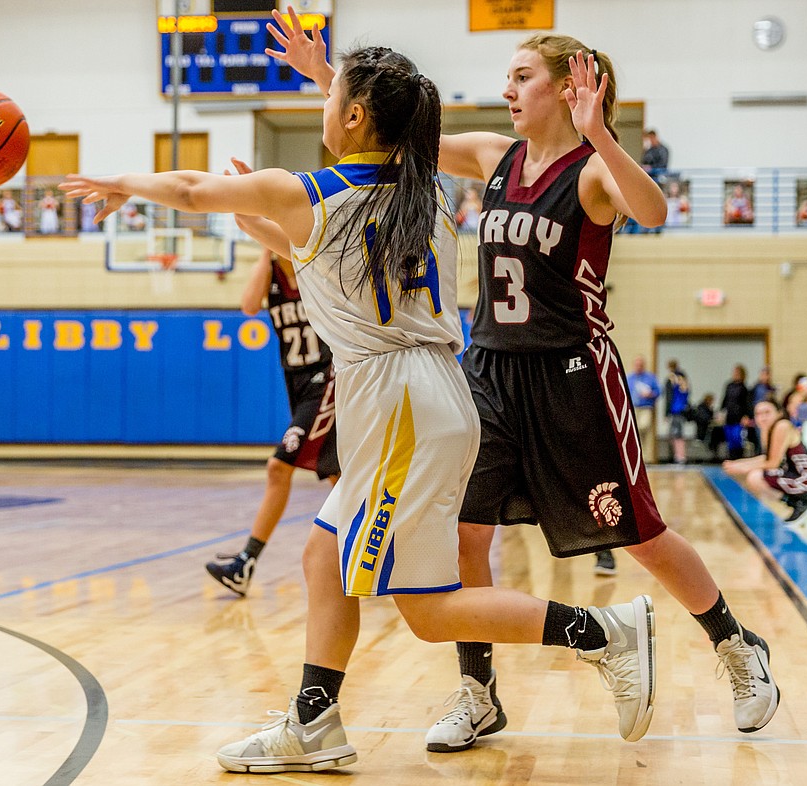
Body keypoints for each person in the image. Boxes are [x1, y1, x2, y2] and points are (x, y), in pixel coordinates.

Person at [63, 37, 657, 772]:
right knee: (322, 555)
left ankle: (603, 632)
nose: (320, 106)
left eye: (328, 96)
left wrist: (123, 181)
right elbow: (316, 248)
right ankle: (314, 720)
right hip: (425, 395)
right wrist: (314, 113)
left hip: (399, 403)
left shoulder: (311, 193)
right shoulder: (421, 190)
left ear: (350, 115)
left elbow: (189, 191)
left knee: (428, 609)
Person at [280, 23, 778, 752]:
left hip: (573, 373)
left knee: (636, 532)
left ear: (567, 89)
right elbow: (397, 133)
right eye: (507, 79)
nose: (507, 91)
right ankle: (479, 692)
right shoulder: (493, 155)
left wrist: (601, 132)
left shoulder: (593, 173)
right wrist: (330, 78)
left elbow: (655, 211)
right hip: (487, 369)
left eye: (521, 78)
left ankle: (736, 645)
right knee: (465, 534)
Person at [204, 240, 340, 597]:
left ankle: (246, 562)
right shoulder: (272, 272)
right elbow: (249, 305)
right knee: (338, 478)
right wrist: (266, 252)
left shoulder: (317, 264)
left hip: (328, 378)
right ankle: (388, 558)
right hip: (297, 383)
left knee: (278, 468)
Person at [723, 399, 807, 522]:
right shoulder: (768, 429)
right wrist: (739, 463)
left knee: (755, 477)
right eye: (758, 414)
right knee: (757, 476)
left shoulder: (782, 426)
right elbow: (767, 458)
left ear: (779, 413)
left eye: (767, 412)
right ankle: (797, 504)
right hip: (802, 478)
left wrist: (741, 468)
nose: (762, 417)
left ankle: (798, 504)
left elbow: (772, 463)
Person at [664, 359, 692, 464]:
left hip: (676, 409)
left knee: (677, 434)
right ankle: (679, 455)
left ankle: (680, 456)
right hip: (678, 409)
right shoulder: (679, 378)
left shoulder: (674, 378)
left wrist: (667, 412)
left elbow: (670, 397)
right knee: (675, 433)